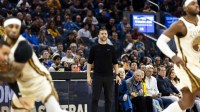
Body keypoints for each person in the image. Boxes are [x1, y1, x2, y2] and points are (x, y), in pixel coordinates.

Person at [1, 17, 67, 112]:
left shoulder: (23, 47)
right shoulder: (4, 43)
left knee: (54, 110)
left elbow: (12, 76)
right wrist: (19, 96)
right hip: (24, 84)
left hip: (40, 80)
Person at [156, 0, 200, 111]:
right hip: (186, 66)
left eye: (196, 3)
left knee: (187, 103)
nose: (196, 4)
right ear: (185, 8)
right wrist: (173, 56)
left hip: (197, 65)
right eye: (192, 3)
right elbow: (160, 41)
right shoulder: (180, 25)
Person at [87, 29, 121, 112]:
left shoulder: (111, 48)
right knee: (95, 99)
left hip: (109, 77)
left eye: (105, 34)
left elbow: (115, 63)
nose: (104, 35)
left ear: (107, 36)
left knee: (108, 100)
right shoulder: (94, 48)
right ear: (98, 35)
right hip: (97, 76)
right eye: (102, 34)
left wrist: (117, 75)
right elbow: (89, 63)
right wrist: (88, 76)